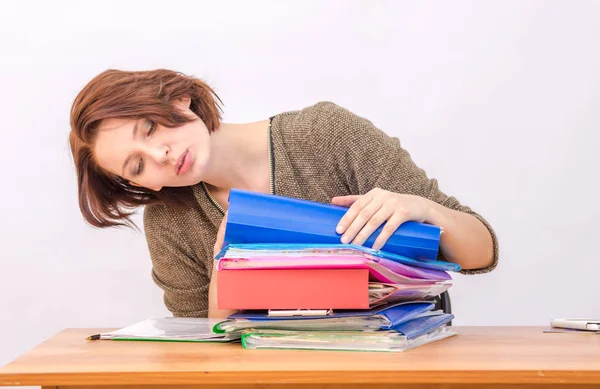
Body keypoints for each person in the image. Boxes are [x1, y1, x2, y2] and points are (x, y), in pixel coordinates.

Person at [69, 69, 499, 318]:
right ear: (142, 185)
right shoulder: (169, 224)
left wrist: (422, 208)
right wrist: (228, 267)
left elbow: (481, 255)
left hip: (398, 367)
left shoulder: (326, 134)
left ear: (180, 100)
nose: (160, 153)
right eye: (138, 165)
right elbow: (204, 351)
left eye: (149, 127)